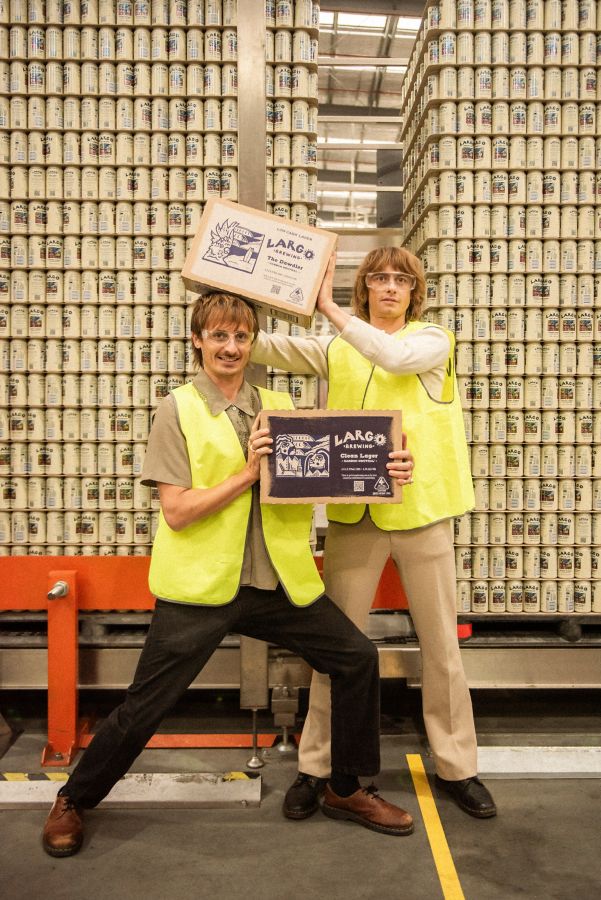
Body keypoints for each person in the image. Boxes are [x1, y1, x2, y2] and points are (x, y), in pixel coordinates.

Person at [42, 291, 416, 858]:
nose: (231, 347)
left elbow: (323, 472)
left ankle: (347, 788)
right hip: (203, 587)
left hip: (276, 579)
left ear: (253, 343)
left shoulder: (278, 403)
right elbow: (177, 509)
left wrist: (383, 468)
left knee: (355, 658)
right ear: (198, 341)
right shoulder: (178, 410)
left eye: (242, 337)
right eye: (219, 336)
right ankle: (74, 798)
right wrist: (246, 475)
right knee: (146, 704)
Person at [251, 247, 497, 820]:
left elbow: (390, 355)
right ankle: (315, 767)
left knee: (442, 650)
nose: (390, 287)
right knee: (333, 650)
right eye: (379, 278)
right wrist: (238, 283)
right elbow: (259, 344)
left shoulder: (432, 341)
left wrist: (328, 309)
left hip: (422, 514)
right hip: (352, 519)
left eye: (401, 280)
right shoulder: (335, 349)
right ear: (364, 287)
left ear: (416, 291)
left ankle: (458, 766)